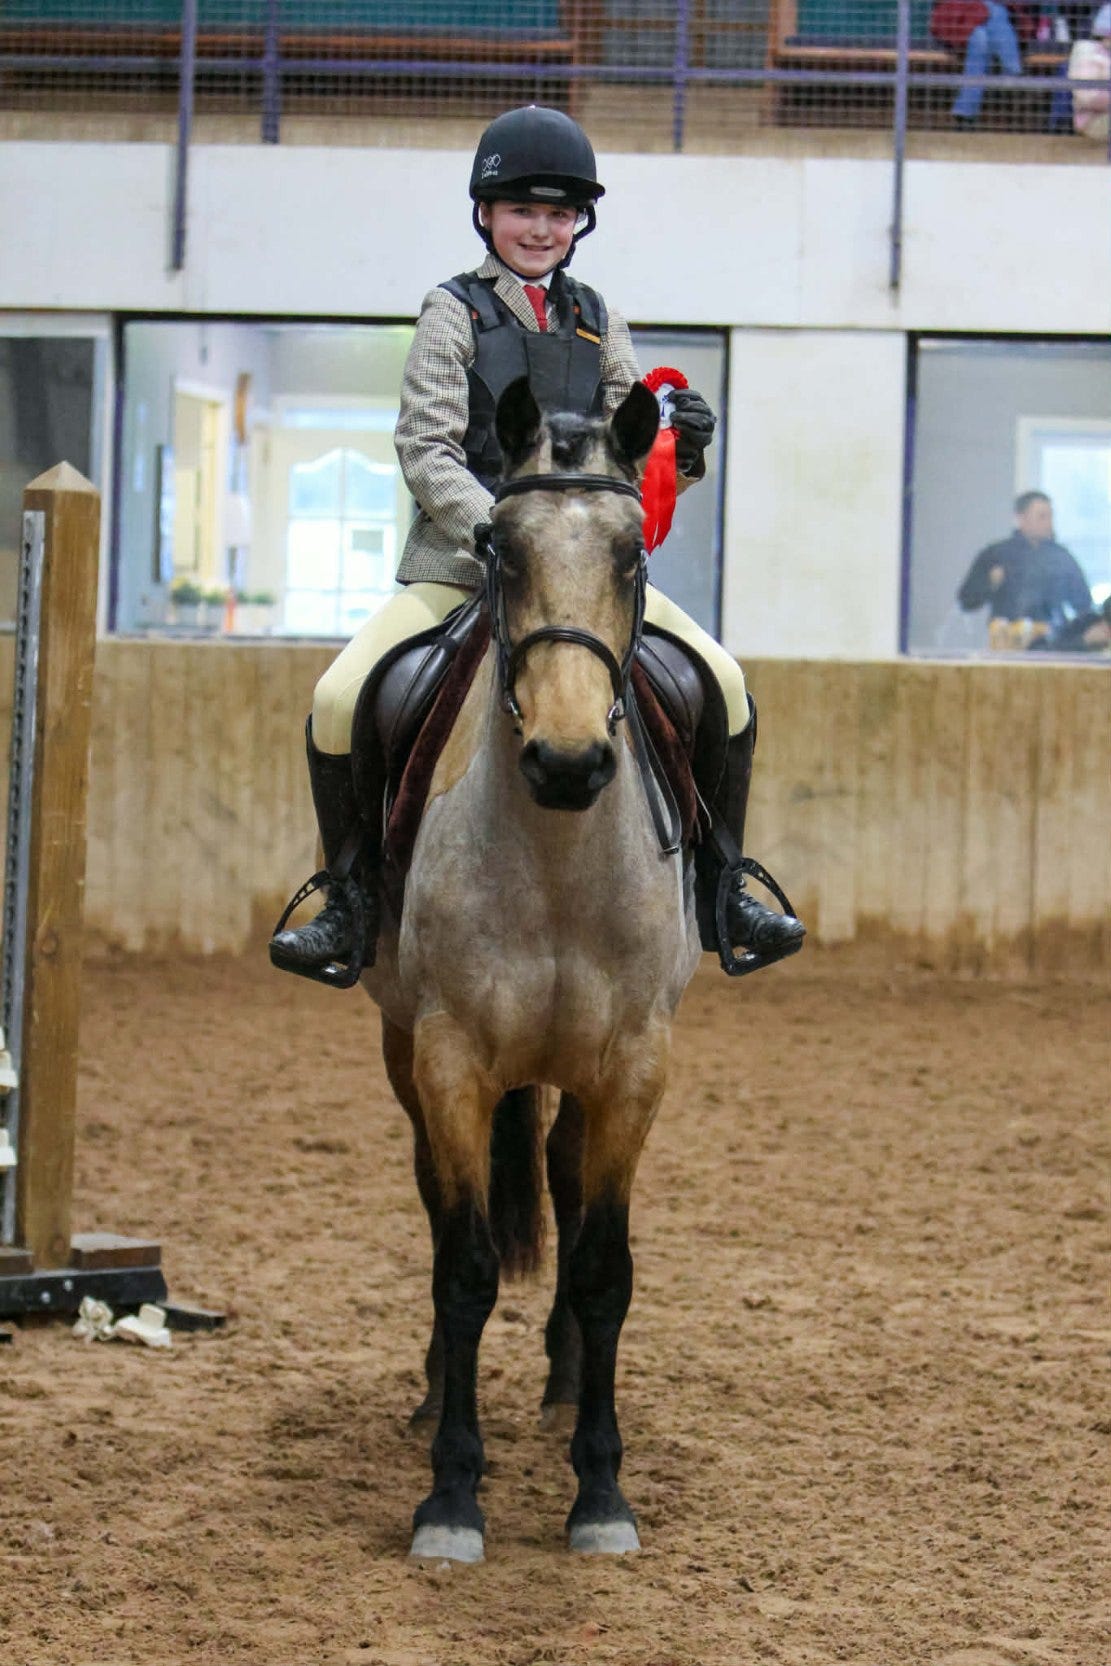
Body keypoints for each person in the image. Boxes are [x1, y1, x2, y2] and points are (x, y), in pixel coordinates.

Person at [270, 105, 805, 980]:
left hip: (582, 578)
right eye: (523, 210)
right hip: (460, 567)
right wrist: (499, 531)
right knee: (338, 698)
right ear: (486, 213)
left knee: (726, 683)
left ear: (577, 225)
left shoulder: (598, 319)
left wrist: (685, 448)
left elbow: (632, 457)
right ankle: (349, 895)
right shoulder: (452, 313)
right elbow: (426, 446)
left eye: (558, 215)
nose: (541, 228)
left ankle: (723, 884)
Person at [957, 489, 1093, 644]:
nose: (1048, 523)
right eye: (1042, 517)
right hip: (1007, 644)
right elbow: (967, 601)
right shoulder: (996, 554)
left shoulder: (1062, 557)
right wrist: (990, 583)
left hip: (1053, 644)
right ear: (1021, 518)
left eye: (1050, 516)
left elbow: (1083, 604)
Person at [930, 0, 1030, 126]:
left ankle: (965, 114)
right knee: (992, 13)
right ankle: (1013, 73)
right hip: (957, 15)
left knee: (982, 36)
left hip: (986, 24)